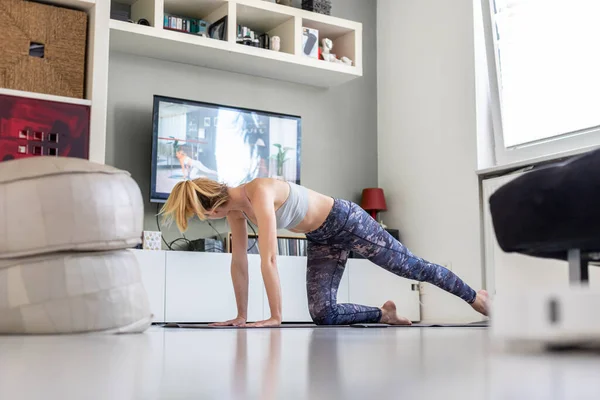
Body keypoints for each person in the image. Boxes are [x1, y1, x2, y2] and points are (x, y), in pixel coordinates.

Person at [160, 177, 490, 327]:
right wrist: (241, 316)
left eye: (201, 216)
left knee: (410, 267)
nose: (207, 220)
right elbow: (239, 263)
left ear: (212, 206)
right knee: (324, 313)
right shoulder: (234, 211)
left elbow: (269, 258)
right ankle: (384, 314)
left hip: (346, 221)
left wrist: (276, 317)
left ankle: (476, 296)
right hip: (321, 237)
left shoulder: (257, 190)